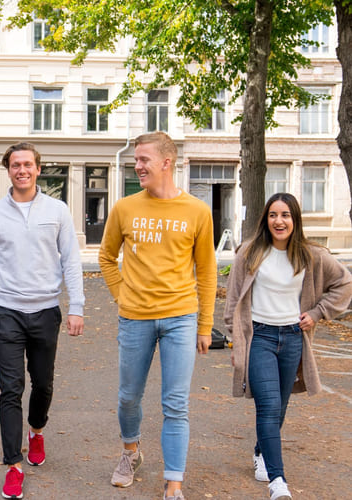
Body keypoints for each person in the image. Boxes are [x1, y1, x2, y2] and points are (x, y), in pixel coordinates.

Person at [98, 131, 217, 500]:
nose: (137, 166)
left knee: (175, 403)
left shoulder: (197, 211)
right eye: (136, 160)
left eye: (144, 159)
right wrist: (123, 295)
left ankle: (174, 483)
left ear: (167, 162)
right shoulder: (124, 208)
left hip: (181, 317)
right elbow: (106, 257)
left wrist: (205, 324)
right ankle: (131, 453)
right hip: (135, 318)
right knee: (129, 397)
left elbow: (207, 270)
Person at [0, 142, 85, 499]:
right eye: (15, 164)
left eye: (28, 164)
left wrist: (76, 306)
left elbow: (71, 261)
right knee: (10, 388)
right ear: (8, 169)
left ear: (38, 169)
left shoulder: (58, 210)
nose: (22, 170)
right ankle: (13, 465)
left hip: (46, 310)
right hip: (6, 310)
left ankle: (36, 429)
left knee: (44, 383)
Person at [224, 193, 352, 500]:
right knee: (267, 406)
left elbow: (345, 283)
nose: (279, 221)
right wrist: (234, 339)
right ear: (265, 220)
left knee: (279, 408)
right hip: (260, 339)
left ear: (295, 220)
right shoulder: (249, 253)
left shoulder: (311, 255)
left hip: (293, 338)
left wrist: (318, 313)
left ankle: (260, 451)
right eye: (273, 215)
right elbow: (232, 300)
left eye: (285, 215)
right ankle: (277, 481)